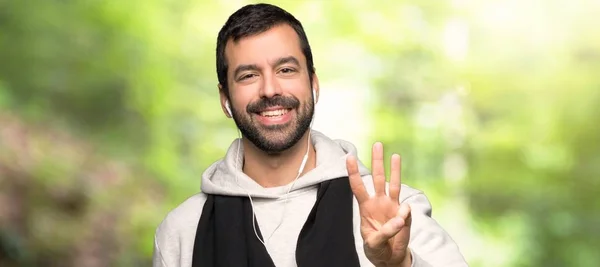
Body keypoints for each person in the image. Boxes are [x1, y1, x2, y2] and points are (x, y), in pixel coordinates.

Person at [152, 3, 468, 267]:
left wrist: (400, 264)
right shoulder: (183, 231)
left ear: (313, 84)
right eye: (249, 75)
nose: (270, 89)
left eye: (286, 70)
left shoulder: (389, 213)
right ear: (225, 99)